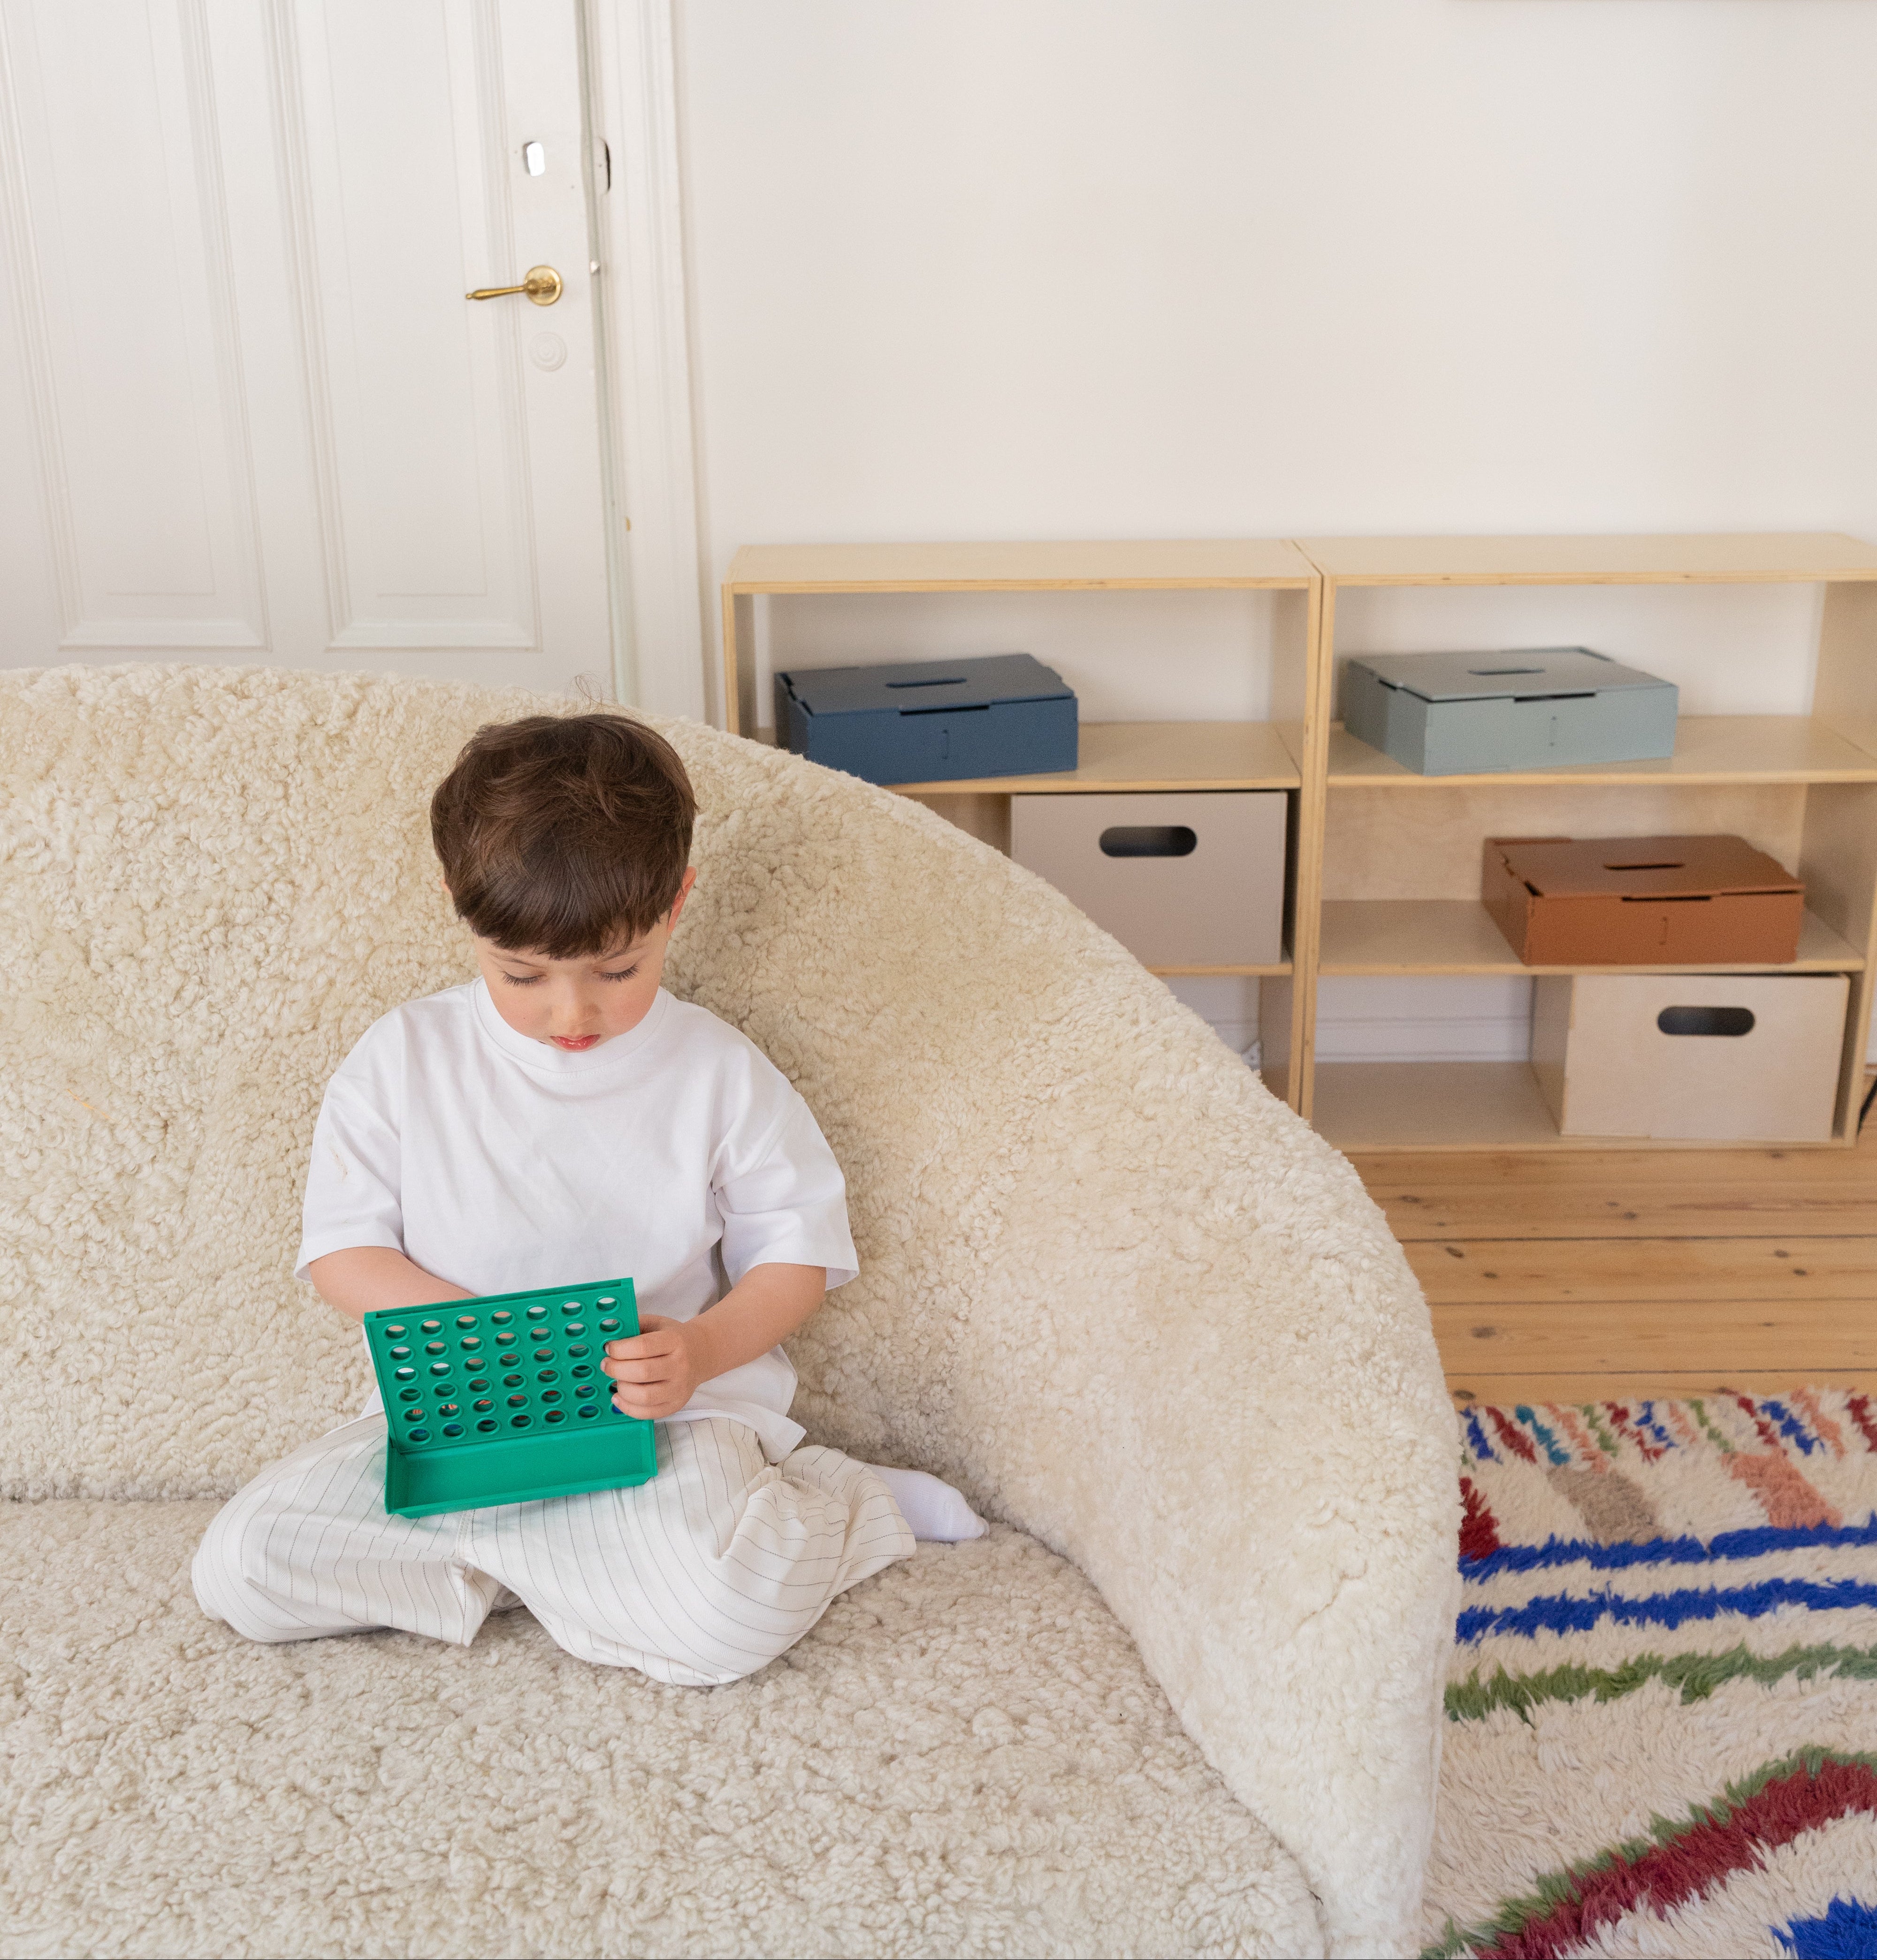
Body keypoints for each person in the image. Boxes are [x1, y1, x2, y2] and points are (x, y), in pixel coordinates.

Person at [193, 712, 983, 1685]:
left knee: (721, 1627)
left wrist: (698, 1353)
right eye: (522, 974)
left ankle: (838, 1502)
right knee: (243, 1567)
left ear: (676, 904)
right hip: (459, 1420)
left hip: (668, 1424)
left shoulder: (718, 1072)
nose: (572, 1014)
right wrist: (483, 1343)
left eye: (618, 970)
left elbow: (797, 1254)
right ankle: (579, 1569)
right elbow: (344, 1253)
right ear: (459, 908)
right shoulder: (399, 1059)